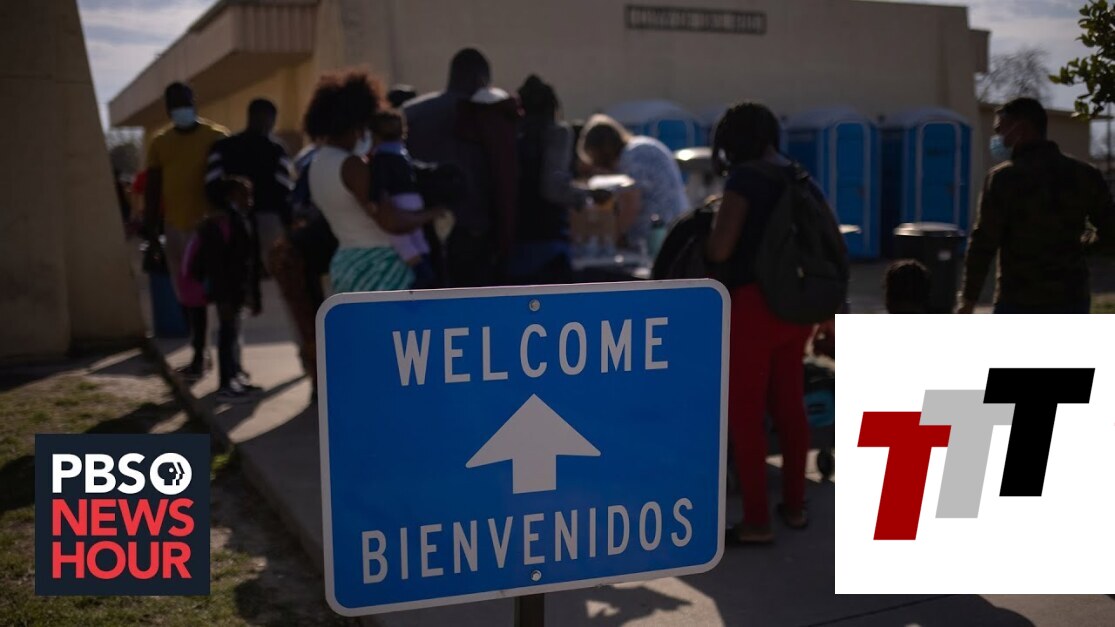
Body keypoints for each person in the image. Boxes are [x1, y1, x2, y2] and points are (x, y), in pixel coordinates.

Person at [704, 102, 819, 544]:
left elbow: (720, 249)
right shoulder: (797, 174)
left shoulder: (745, 179)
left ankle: (756, 520)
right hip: (795, 307)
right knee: (790, 406)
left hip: (753, 307)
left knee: (747, 416)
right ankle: (794, 506)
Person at [958, 97, 1115, 314]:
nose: (998, 139)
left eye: (1000, 130)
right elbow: (1110, 232)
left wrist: (968, 299)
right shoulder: (1084, 174)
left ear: (1020, 129)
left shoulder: (1004, 179)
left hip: (1019, 299)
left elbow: (983, 243)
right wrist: (1080, 246)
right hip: (1071, 296)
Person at [305, 71, 443, 294]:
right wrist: (432, 213)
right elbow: (391, 221)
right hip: (380, 268)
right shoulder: (352, 166)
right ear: (358, 121)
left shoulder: (318, 163)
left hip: (347, 263)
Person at [404, 48, 521, 287]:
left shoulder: (411, 113)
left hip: (418, 231)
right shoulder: (486, 116)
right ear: (481, 80)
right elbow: (502, 178)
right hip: (472, 230)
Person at [143, 82, 229, 379]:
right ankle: (198, 350)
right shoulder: (160, 142)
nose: (181, 108)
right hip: (176, 228)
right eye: (175, 104)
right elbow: (153, 189)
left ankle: (215, 356)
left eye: (185, 102)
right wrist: (151, 233)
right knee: (186, 294)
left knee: (214, 293)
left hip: (209, 229)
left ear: (194, 102)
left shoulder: (216, 136)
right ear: (168, 109)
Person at [507, 74, 593, 285]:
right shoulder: (556, 133)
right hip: (549, 241)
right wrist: (585, 196)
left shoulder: (512, 134)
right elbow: (552, 187)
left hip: (515, 238)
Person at [185, 176, 261, 402]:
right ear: (230, 197)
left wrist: (251, 294)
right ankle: (225, 384)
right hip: (223, 290)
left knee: (233, 333)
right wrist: (223, 298)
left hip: (232, 288)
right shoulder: (221, 224)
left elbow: (245, 261)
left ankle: (235, 375)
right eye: (243, 194)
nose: (249, 200)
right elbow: (216, 266)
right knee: (227, 334)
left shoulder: (237, 219)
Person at [205, 98, 293, 278]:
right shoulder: (276, 149)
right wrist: (288, 225)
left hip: (230, 221)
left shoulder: (222, 146)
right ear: (270, 119)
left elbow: (211, 185)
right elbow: (285, 192)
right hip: (268, 221)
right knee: (274, 278)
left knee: (233, 278)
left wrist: (227, 206)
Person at [577, 113, 688, 250]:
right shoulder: (639, 147)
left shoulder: (633, 155)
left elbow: (631, 204)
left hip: (663, 234)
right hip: (673, 227)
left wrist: (610, 239)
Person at [370, 110, 437, 288]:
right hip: (415, 199)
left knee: (399, 237)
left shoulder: (380, 157)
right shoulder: (402, 153)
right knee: (416, 234)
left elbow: (379, 181)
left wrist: (374, 199)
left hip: (399, 200)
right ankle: (425, 259)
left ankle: (419, 269)